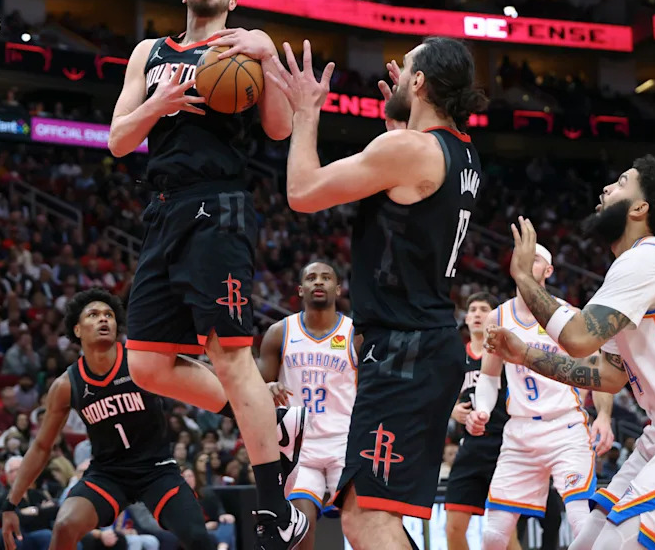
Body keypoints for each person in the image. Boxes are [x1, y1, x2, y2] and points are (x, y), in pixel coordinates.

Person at [107, 0, 307, 549]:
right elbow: (119, 140)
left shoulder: (243, 46)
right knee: (143, 364)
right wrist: (159, 103)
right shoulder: (150, 52)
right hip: (163, 207)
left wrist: (268, 51)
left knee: (228, 353)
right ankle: (270, 421)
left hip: (219, 205)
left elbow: (278, 127)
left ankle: (276, 509)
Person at [271, 36, 487, 550]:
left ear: (419, 83)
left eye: (406, 64)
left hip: (405, 350)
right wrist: (400, 130)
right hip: (422, 343)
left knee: (367, 520)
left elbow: (301, 192)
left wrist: (306, 112)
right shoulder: (463, 152)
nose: (395, 69)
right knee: (367, 515)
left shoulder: (409, 150)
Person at [485, 156, 655, 550]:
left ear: (640, 208)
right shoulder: (626, 273)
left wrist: (522, 278)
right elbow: (608, 374)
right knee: (586, 542)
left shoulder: (648, 259)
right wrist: (525, 355)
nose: (606, 189)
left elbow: (578, 337)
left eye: (621, 182)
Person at [1, 289, 213, 550]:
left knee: (198, 537)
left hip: (156, 469)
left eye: (109, 315)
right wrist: (10, 503)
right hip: (108, 474)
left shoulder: (140, 360)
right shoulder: (66, 385)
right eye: (93, 314)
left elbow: (201, 372)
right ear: (77, 330)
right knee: (65, 525)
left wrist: (255, 387)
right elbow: (42, 446)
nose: (103, 320)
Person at [465, 244, 614, 548]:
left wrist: (605, 417)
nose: (525, 262)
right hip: (520, 431)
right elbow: (490, 376)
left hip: (566, 426)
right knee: (493, 534)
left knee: (580, 520)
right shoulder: (498, 316)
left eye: (534, 259)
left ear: (548, 271)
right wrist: (482, 408)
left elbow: (598, 372)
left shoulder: (568, 315)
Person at [257, 261, 358, 549]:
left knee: (360, 526)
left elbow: (369, 392)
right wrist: (268, 387)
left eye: (326, 278)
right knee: (301, 530)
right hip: (300, 446)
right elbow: (257, 388)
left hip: (345, 442)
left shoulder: (355, 333)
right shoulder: (279, 332)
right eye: (311, 278)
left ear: (337, 289)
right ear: (300, 289)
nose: (318, 282)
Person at [443, 292, 520, 550]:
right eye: (472, 309)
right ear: (465, 319)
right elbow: (437, 398)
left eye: (483, 309)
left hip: (504, 446)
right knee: (453, 528)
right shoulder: (453, 357)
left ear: (495, 317)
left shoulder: (509, 354)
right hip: (470, 447)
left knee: (505, 536)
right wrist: (452, 410)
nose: (477, 314)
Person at [181, 468, 236, 550]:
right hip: (197, 529)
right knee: (229, 537)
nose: (187, 479)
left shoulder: (205, 493)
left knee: (228, 521)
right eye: (184, 477)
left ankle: (222, 547)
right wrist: (204, 527)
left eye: (190, 476)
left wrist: (222, 515)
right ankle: (223, 546)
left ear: (196, 478)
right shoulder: (179, 499)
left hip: (213, 525)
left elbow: (218, 508)